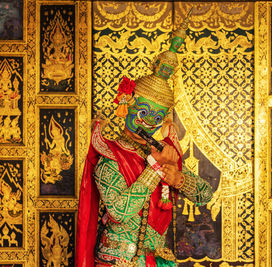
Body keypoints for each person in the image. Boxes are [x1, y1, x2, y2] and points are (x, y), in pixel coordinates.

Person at [76, 12, 213, 267]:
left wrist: (179, 179)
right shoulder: (110, 156)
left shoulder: (163, 152)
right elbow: (119, 212)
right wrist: (156, 169)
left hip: (155, 259)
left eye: (157, 117)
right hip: (116, 260)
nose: (148, 123)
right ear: (126, 106)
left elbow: (205, 195)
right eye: (142, 113)